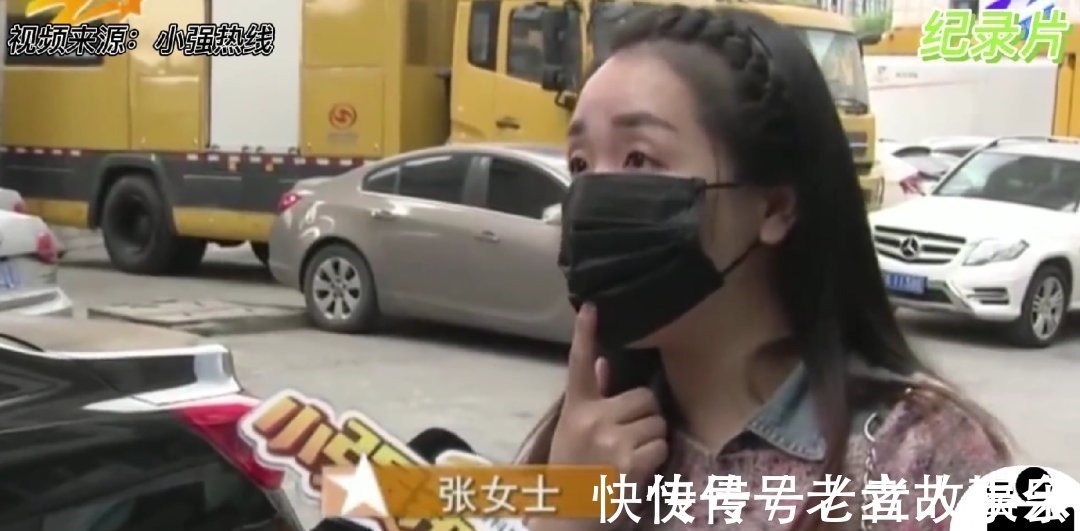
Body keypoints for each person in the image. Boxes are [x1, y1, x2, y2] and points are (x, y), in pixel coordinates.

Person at [516, 5, 1012, 530]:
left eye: (639, 159)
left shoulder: (919, 457)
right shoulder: (583, 443)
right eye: (580, 164)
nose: (594, 195)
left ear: (774, 207)